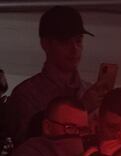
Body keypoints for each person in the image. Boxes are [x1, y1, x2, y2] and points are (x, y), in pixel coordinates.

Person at [3, 5, 111, 144]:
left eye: (78, 41)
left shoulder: (89, 91)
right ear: (46, 44)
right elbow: (29, 146)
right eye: (65, 42)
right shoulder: (26, 95)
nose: (74, 49)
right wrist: (82, 107)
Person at [3, 96, 89, 156]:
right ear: (47, 127)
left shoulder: (87, 152)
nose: (78, 135)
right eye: (70, 128)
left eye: (83, 130)